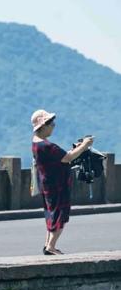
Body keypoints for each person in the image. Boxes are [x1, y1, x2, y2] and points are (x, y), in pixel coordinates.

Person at [31, 109, 93, 255]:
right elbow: (67, 158)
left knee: (51, 214)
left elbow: (62, 156)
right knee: (60, 214)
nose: (53, 126)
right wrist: (84, 145)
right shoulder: (47, 146)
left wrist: (77, 148)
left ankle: (48, 245)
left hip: (46, 183)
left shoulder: (36, 143)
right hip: (56, 185)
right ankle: (51, 246)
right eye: (51, 123)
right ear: (43, 126)